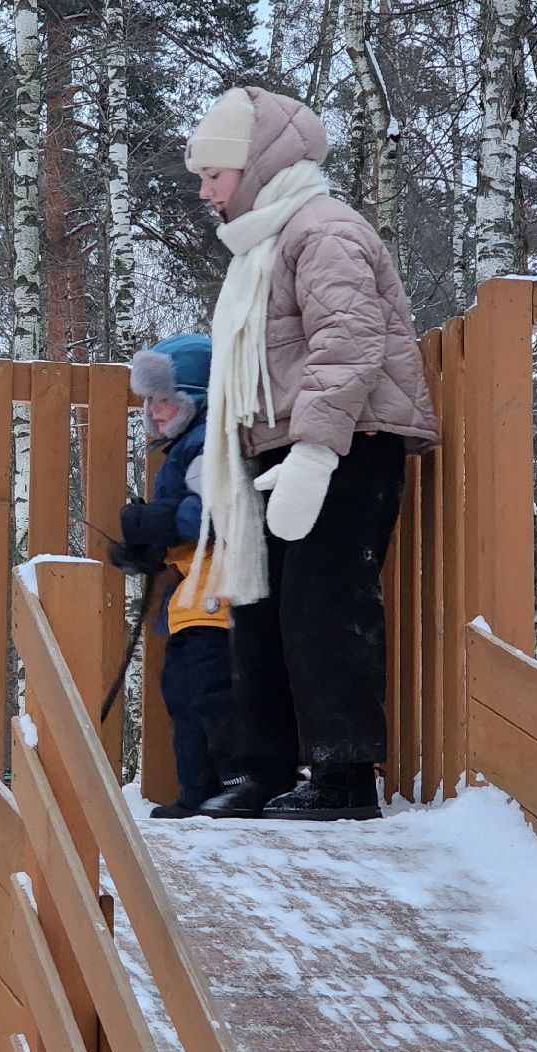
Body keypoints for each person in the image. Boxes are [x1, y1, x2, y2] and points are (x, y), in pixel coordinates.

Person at [181, 87, 440, 821]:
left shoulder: (324, 231)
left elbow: (348, 343)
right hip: (282, 449)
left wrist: (316, 454)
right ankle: (261, 770)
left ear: (256, 164)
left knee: (324, 603)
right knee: (260, 608)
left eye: (214, 176)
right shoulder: (262, 244)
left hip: (349, 446)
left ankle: (344, 776)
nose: (207, 192)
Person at [107, 333, 234, 819]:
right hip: (193, 599)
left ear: (195, 400)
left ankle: (233, 783)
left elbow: (217, 512)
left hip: (220, 599)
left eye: (165, 399)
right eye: (150, 402)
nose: (154, 411)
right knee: (181, 694)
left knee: (212, 693)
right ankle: (198, 789)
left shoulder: (208, 445)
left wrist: (162, 523)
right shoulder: (183, 447)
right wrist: (148, 551)